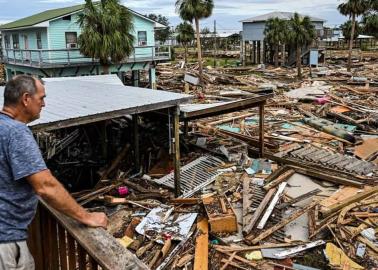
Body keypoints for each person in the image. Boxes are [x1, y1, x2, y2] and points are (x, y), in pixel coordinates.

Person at [0, 75, 108, 270]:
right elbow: (45, 186)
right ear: (26, 99)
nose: (44, 104)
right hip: (6, 241)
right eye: (41, 98)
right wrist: (87, 217)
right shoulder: (16, 132)